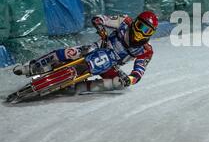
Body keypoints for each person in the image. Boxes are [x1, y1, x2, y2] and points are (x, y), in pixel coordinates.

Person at [13, 11, 159, 93]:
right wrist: (101, 29)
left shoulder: (146, 51)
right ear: (135, 22)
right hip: (99, 47)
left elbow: (138, 73)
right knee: (69, 52)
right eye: (140, 26)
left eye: (147, 30)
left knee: (119, 84)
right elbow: (99, 18)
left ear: (151, 33)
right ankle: (30, 67)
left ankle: (80, 87)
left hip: (111, 65)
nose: (141, 32)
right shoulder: (124, 21)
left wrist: (130, 79)